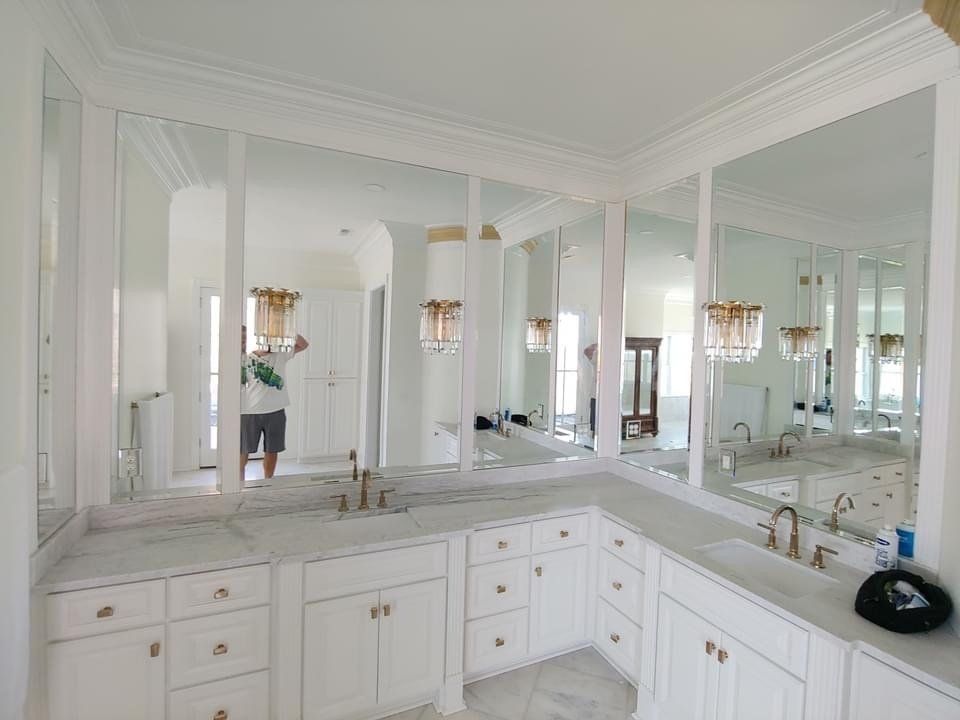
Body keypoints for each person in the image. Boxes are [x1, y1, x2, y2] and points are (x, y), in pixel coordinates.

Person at [240, 324, 309, 481]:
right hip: (249, 412)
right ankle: (238, 484)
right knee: (243, 450)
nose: (269, 344)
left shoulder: (280, 355)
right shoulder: (245, 359)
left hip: (276, 411)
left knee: (272, 450)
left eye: (271, 340)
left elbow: (304, 344)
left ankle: (268, 482)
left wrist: (285, 328)